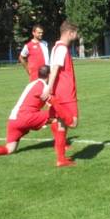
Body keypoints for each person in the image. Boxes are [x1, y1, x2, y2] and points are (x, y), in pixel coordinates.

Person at [0, 65, 53, 161]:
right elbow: (53, 104)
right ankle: (62, 146)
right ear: (49, 75)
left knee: (10, 149)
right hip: (25, 116)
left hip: (13, 119)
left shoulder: (32, 84)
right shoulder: (44, 87)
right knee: (59, 116)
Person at [40, 20, 80, 167]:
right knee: (73, 122)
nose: (76, 36)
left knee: (62, 125)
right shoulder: (62, 48)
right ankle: (53, 107)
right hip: (65, 93)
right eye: (76, 33)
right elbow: (55, 68)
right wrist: (49, 88)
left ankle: (61, 159)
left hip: (62, 92)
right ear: (70, 33)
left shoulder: (57, 47)